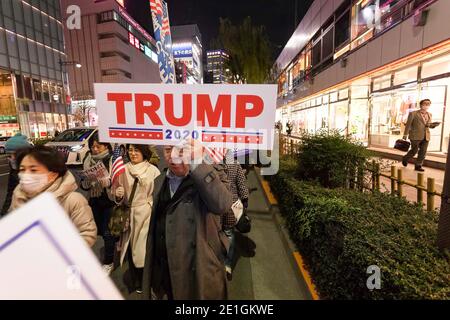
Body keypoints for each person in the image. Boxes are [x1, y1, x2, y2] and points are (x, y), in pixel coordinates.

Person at [142, 141, 234, 300]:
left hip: (196, 273)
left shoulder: (211, 175)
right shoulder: (159, 180)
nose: (173, 157)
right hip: (163, 275)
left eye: (180, 150)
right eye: (168, 150)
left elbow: (223, 204)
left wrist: (197, 163)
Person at [9, 146, 97, 246]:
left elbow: (87, 235)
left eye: (33, 170)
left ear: (53, 174)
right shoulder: (18, 197)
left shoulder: (73, 200)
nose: (26, 174)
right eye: (22, 169)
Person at [114, 144, 160, 294]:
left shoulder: (153, 170)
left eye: (137, 150)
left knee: (144, 250)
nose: (133, 153)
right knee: (131, 248)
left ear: (144, 152)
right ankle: (137, 282)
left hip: (147, 213)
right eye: (130, 150)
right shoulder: (123, 169)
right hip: (129, 214)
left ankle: (148, 282)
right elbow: (115, 195)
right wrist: (118, 195)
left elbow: (157, 194)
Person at [81, 133, 116, 275]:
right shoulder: (87, 159)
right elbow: (84, 185)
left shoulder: (111, 159)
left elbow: (119, 181)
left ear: (106, 146)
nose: (95, 149)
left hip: (109, 200)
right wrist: (86, 182)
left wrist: (108, 183)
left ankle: (109, 262)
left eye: (98, 146)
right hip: (94, 201)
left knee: (108, 233)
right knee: (97, 231)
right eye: (92, 146)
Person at [222, 150, 249, 280]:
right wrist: (245, 200)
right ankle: (227, 265)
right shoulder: (235, 163)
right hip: (231, 206)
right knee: (229, 235)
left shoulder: (209, 163)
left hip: (212, 204)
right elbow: (242, 184)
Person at [402, 99, 439, 172]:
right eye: (425, 104)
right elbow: (408, 125)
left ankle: (418, 165)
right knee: (414, 150)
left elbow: (428, 125)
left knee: (423, 152)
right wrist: (405, 134)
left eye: (428, 104)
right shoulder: (413, 113)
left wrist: (433, 125)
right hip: (415, 135)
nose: (426, 106)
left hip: (426, 135)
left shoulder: (429, 114)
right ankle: (405, 158)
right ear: (421, 105)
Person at [0, 133, 32, 217]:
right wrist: (4, 214)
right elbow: (10, 193)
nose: (11, 159)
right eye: (9, 156)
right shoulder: (13, 170)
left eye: (14, 155)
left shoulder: (38, 168)